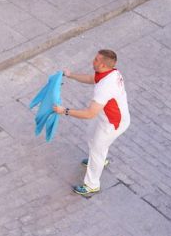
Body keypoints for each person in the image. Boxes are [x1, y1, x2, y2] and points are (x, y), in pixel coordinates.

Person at [53, 49, 130, 197]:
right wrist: (71, 75)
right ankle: (100, 158)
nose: (92, 61)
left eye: (96, 60)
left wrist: (64, 111)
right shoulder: (110, 72)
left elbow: (89, 114)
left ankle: (92, 185)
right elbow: (91, 79)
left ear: (102, 65)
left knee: (97, 150)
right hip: (105, 118)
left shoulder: (105, 86)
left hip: (112, 124)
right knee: (91, 136)